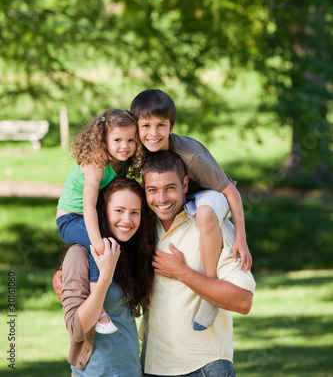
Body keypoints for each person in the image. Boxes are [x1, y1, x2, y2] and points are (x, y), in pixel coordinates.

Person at [130, 89, 252, 331]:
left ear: (171, 127)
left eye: (160, 126)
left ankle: (210, 290)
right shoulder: (136, 149)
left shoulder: (190, 154)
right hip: (177, 197)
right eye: (145, 126)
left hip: (210, 194)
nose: (153, 133)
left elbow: (231, 192)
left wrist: (241, 238)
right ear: (136, 127)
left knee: (205, 213)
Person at [140, 151, 256, 377]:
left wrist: (183, 273)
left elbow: (243, 301)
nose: (161, 198)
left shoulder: (212, 225)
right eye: (152, 190)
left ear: (185, 184)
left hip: (205, 367)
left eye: (170, 188)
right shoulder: (141, 229)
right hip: (153, 366)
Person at [56, 108, 144, 334]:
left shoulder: (120, 163)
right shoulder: (96, 163)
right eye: (117, 140)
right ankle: (99, 311)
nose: (125, 145)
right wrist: (97, 241)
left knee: (120, 247)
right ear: (103, 139)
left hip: (88, 217)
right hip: (71, 219)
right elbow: (88, 204)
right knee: (101, 249)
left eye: (130, 140)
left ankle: (130, 295)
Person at [60, 176, 156, 377]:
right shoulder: (79, 254)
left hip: (132, 371)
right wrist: (104, 277)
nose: (127, 220)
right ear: (103, 212)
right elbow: (76, 330)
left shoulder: (130, 252)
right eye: (119, 211)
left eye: (135, 213)